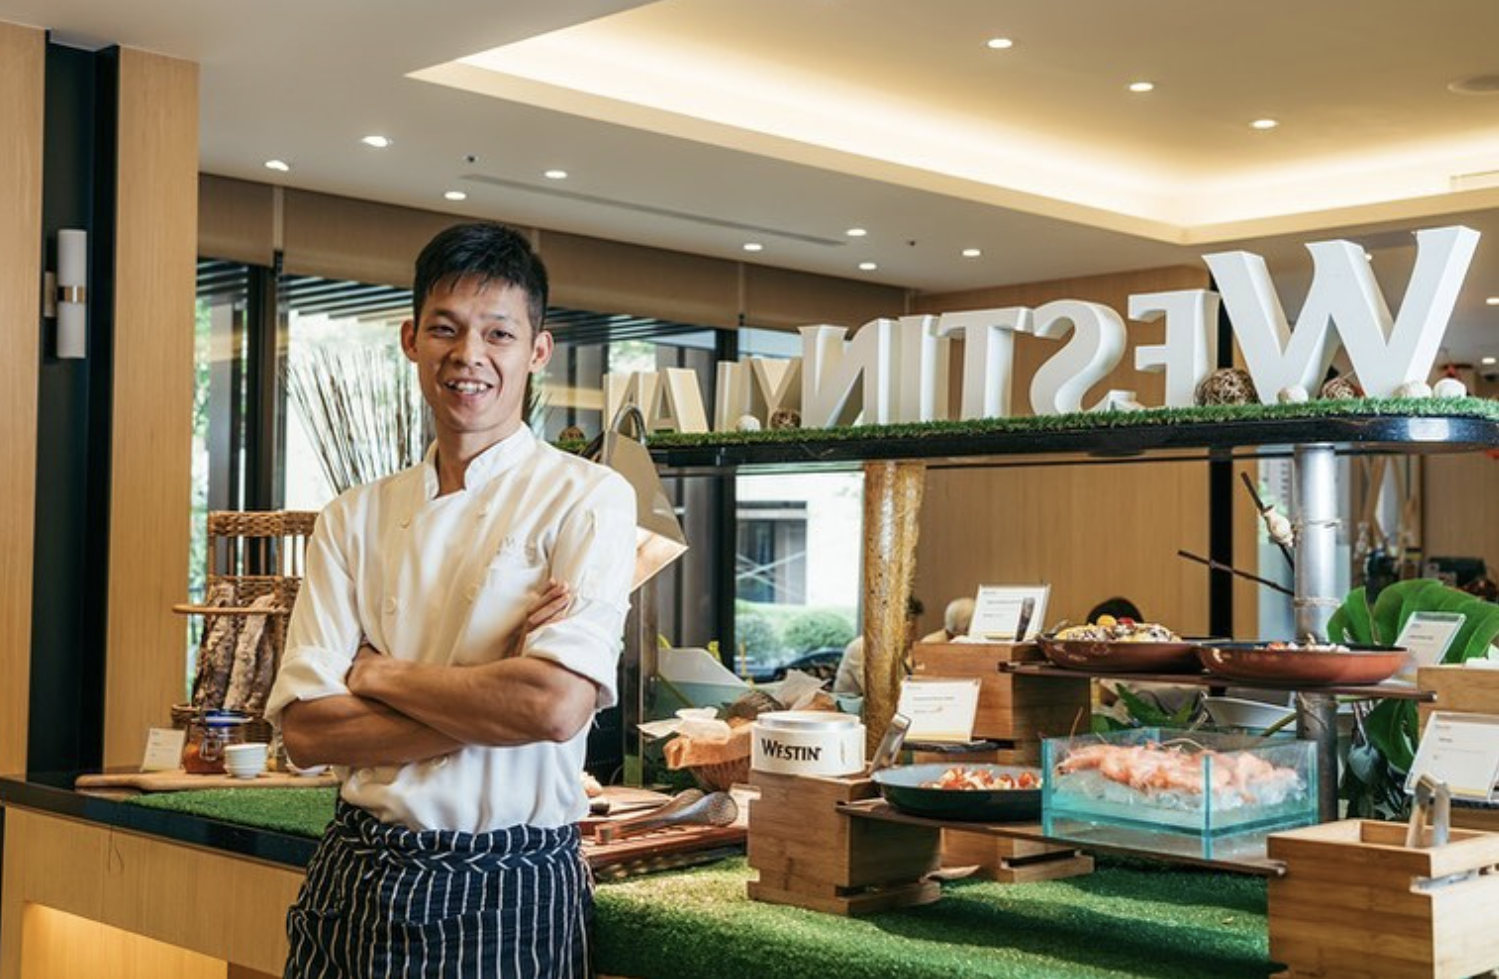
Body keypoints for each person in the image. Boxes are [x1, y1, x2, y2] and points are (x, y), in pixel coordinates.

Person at [266, 222, 637, 978]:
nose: (469, 354)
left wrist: (378, 674)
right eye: (445, 328)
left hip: (509, 885)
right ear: (411, 339)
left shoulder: (587, 496)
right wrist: (491, 692)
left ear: (537, 350)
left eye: (499, 333)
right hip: (357, 874)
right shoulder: (353, 516)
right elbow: (307, 731)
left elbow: (551, 708)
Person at [833, 596, 923, 696]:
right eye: (911, 628)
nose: (914, 635)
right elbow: (880, 693)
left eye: (914, 628)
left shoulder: (896, 650)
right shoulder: (862, 647)